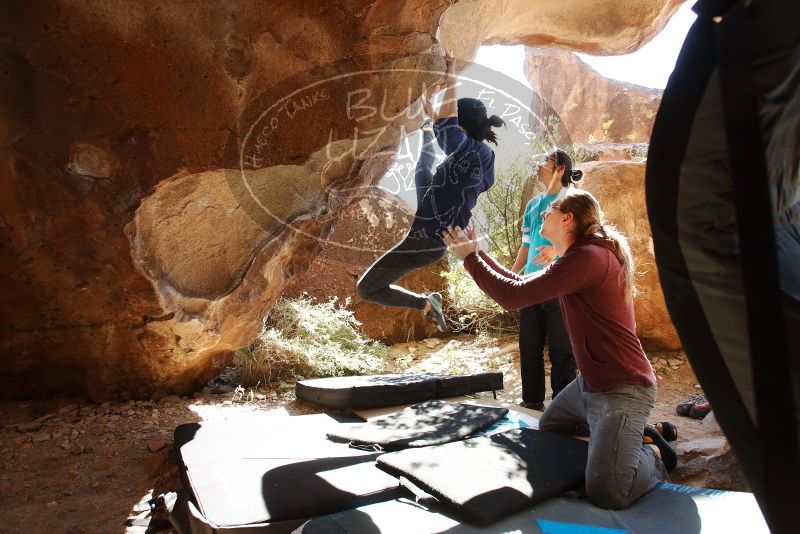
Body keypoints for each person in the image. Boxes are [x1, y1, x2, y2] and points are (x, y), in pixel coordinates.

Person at [442, 188, 676, 509]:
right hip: (589, 385)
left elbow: (512, 296)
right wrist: (477, 252)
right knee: (551, 429)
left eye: (549, 210)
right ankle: (632, 433)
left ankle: (652, 452)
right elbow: (519, 284)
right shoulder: (577, 256)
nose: (542, 214)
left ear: (567, 218)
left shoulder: (589, 257)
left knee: (609, 492)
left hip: (622, 387)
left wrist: (469, 258)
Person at [357, 48, 504, 332]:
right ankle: (425, 130)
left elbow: (450, 133)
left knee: (367, 288)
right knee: (425, 170)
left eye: (455, 125)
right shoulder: (475, 154)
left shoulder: (475, 152)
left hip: (429, 239)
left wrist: (450, 77)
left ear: (462, 128)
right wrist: (432, 113)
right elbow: (452, 135)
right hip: (432, 218)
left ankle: (425, 304)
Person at [511, 150, 582, 411]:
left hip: (561, 286)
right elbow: (526, 245)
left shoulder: (574, 200)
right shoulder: (533, 205)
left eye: (545, 162)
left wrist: (556, 250)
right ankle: (531, 403)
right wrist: (512, 273)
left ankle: (563, 408)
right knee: (528, 347)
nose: (538, 166)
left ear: (560, 168)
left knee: (562, 349)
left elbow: (588, 240)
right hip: (531, 285)